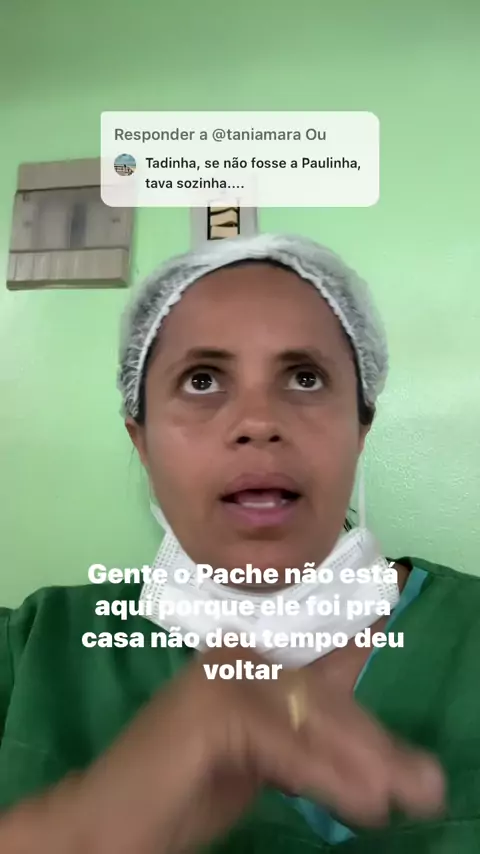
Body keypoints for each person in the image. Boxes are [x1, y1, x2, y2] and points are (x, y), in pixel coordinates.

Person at [0, 232, 479, 854]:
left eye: (305, 378)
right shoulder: (29, 655)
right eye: (202, 380)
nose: (258, 422)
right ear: (142, 441)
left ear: (360, 430)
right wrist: (86, 825)